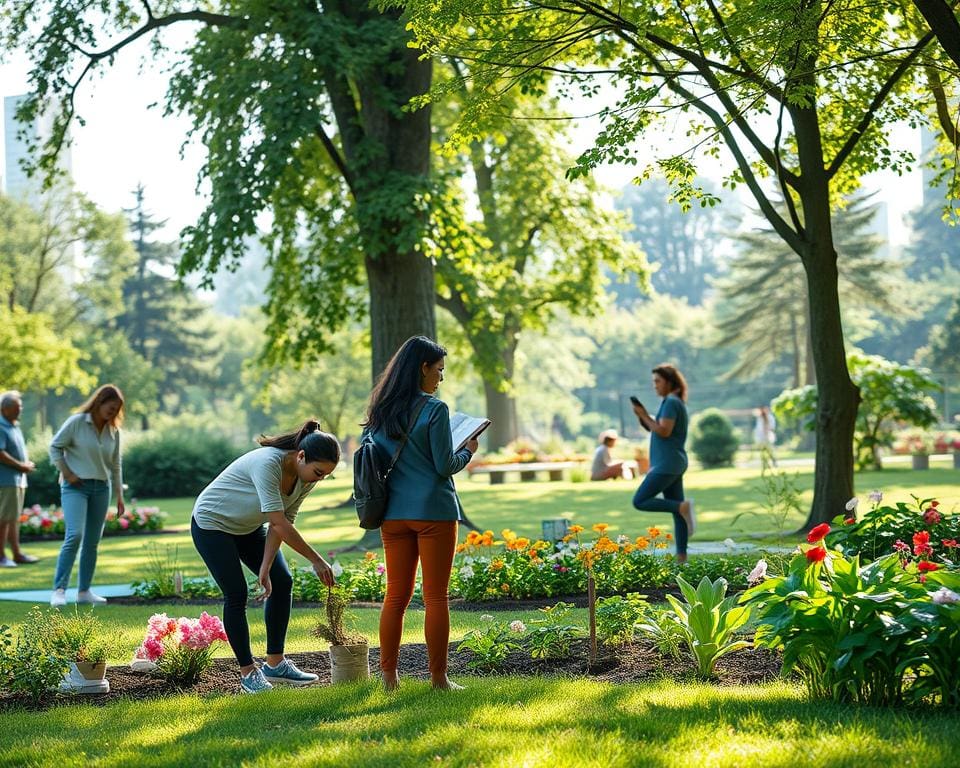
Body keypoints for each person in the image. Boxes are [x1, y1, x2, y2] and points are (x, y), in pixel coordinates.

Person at [363, 335, 479, 692]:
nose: (440, 379)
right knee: (436, 597)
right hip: (434, 513)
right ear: (423, 368)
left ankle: (388, 677)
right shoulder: (435, 409)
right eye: (439, 370)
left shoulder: (380, 410)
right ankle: (439, 679)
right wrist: (469, 450)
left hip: (393, 515)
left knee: (395, 596)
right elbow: (445, 465)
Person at [191, 420, 340, 694]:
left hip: (248, 528)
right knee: (236, 593)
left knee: (281, 581)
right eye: (318, 472)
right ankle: (248, 674)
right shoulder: (268, 463)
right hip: (212, 524)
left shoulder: (305, 478)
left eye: (325, 475)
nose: (320, 479)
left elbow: (281, 524)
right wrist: (316, 559)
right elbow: (279, 522)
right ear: (301, 456)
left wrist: (266, 566)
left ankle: (275, 663)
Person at [49, 384, 126, 606]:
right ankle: (59, 590)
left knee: (92, 542)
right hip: (75, 487)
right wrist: (67, 473)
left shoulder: (114, 431)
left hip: (102, 488)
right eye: (110, 408)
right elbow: (55, 447)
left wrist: (119, 495)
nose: (113, 413)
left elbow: (116, 464)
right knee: (74, 535)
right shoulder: (77, 422)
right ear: (99, 402)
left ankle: (84, 592)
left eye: (116, 410)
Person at [630, 364, 695, 563]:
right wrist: (644, 416)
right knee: (678, 512)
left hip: (667, 463)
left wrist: (642, 415)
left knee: (640, 500)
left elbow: (664, 431)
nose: (655, 386)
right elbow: (659, 428)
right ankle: (682, 559)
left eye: (658, 381)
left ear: (669, 381)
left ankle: (682, 507)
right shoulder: (673, 402)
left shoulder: (671, 403)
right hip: (673, 462)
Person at [0, 391, 38, 568]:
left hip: (17, 480)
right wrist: (21, 466)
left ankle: (16, 554)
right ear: (5, 409)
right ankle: (1, 556)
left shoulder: (13, 426)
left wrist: (24, 464)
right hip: (6, 480)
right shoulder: (1, 426)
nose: (20, 411)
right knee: (4, 518)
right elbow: (0, 454)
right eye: (16, 408)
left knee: (13, 518)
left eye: (20, 407)